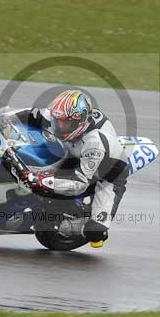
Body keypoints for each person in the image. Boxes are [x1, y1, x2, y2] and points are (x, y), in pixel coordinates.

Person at [14, 89, 128, 245]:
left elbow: (80, 184)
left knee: (96, 231)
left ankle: (73, 224)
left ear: (81, 122)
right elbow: (31, 114)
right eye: (57, 121)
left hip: (107, 175)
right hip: (75, 154)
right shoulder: (62, 115)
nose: (60, 126)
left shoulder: (95, 143)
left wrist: (42, 181)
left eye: (66, 123)